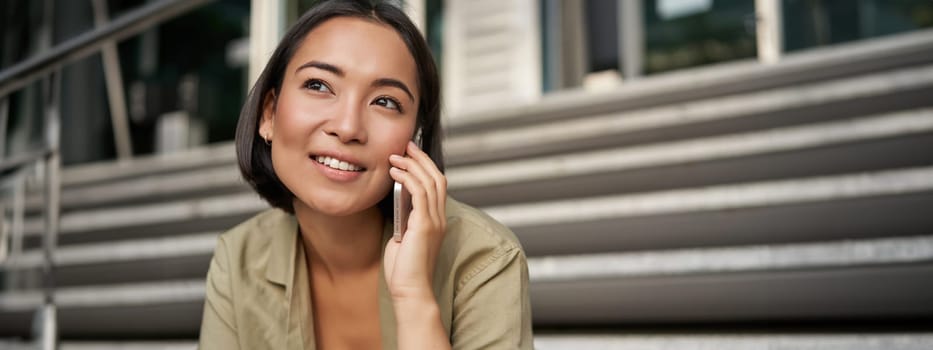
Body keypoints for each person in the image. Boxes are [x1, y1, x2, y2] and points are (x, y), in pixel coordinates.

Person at [197, 1, 533, 349]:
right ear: (269, 114)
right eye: (319, 85)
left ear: (414, 140)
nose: (347, 127)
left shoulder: (484, 257)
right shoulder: (239, 259)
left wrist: (414, 297)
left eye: (385, 102)